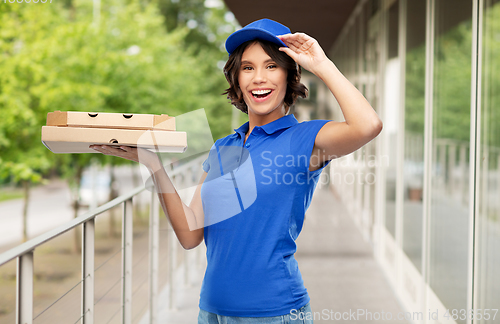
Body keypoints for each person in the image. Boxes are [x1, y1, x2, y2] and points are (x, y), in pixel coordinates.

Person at [91, 18, 382, 323]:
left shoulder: (304, 140)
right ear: (237, 80)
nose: (259, 78)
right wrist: (153, 165)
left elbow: (368, 125)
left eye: (271, 66)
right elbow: (191, 235)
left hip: (274, 313)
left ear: (289, 76)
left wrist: (321, 64)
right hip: (212, 311)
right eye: (248, 67)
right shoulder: (223, 147)